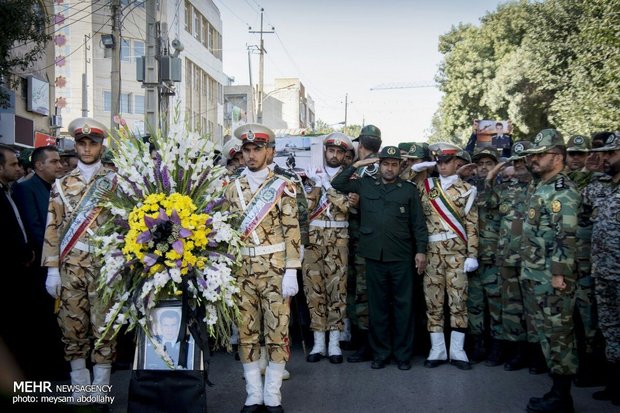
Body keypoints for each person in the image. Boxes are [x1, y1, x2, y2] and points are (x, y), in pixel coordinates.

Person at [224, 123, 301, 413]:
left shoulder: (284, 186)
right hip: (242, 269)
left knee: (277, 331)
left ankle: (273, 395)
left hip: (275, 269)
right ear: (241, 153)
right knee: (246, 332)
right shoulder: (231, 189)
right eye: (247, 150)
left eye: (258, 149)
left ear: (270, 151)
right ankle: (253, 393)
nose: (252, 155)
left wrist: (292, 270)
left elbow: (292, 230)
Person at [41, 118, 117, 402]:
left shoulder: (115, 182)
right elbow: (53, 228)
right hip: (71, 267)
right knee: (72, 329)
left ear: (101, 147)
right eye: (82, 143)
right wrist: (52, 270)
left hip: (105, 267)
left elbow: (126, 226)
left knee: (105, 328)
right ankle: (80, 390)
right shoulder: (61, 185)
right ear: (75, 145)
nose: (87, 149)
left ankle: (100, 391)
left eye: (92, 144)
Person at [332, 146, 428, 370]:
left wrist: (421, 250)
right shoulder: (365, 184)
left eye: (394, 164)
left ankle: (403, 355)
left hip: (401, 256)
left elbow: (418, 224)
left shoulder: (408, 190)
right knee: (378, 309)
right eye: (386, 164)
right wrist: (357, 165)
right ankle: (381, 354)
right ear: (380, 165)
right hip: (374, 256)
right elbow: (337, 184)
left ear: (399, 167)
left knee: (403, 308)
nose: (390, 168)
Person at [520, 129, 580, 413]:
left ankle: (562, 397)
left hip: (552, 277)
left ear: (556, 157)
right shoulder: (541, 185)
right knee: (547, 332)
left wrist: (559, 274)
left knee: (559, 334)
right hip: (535, 273)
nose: (533, 159)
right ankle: (556, 391)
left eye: (540, 154)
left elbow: (566, 235)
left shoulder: (562, 191)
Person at [419, 142, 478, 370]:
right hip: (432, 254)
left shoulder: (467, 190)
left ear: (457, 163)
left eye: (447, 162)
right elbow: (401, 185)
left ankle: (457, 350)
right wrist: (416, 170)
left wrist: (472, 254)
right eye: (439, 163)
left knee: (458, 302)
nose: (442, 167)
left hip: (457, 255)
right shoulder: (426, 186)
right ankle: (437, 349)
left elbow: (472, 225)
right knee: (433, 302)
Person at [13, 145, 66, 380]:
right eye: (54, 162)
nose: (60, 165)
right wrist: (55, 253)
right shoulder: (26, 189)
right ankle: (45, 368)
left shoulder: (57, 188)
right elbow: (35, 226)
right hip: (40, 265)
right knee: (42, 318)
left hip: (58, 261)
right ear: (39, 165)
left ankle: (57, 362)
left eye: (60, 161)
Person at [303, 132, 354, 364]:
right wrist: (314, 185)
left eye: (339, 152)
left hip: (338, 238)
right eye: (331, 150)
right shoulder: (312, 174)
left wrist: (327, 186)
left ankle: (334, 342)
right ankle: (318, 342)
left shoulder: (350, 177)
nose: (334, 155)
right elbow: (303, 209)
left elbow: (346, 207)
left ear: (344, 155)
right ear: (325, 151)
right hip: (314, 238)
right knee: (314, 291)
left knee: (337, 290)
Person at [486, 141, 533, 372]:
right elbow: (488, 198)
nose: (520, 165)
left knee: (533, 308)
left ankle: (536, 354)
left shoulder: (541, 186)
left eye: (524, 160)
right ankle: (516, 351)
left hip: (533, 259)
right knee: (511, 307)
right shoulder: (505, 186)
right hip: (507, 256)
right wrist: (497, 169)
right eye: (516, 160)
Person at [582, 132, 620, 406]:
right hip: (603, 272)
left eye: (611, 153)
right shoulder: (600, 187)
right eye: (603, 153)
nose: (604, 158)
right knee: (610, 329)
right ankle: (615, 384)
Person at [346, 124, 382, 363]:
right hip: (373, 240)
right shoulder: (385, 167)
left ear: (360, 146)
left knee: (363, 293)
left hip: (362, 241)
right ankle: (365, 340)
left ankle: (366, 343)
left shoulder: (360, 171)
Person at [0, 145, 36, 381]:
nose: (19, 168)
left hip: (19, 269)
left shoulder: (8, 191)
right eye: (13, 163)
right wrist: (22, 253)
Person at [466, 147, 502, 365]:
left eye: (489, 163)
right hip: (473, 257)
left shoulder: (504, 189)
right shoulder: (467, 187)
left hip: (494, 257)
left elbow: (490, 202)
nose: (484, 167)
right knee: (474, 306)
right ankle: (478, 345)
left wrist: (490, 180)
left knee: (497, 306)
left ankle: (498, 348)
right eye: (480, 164)